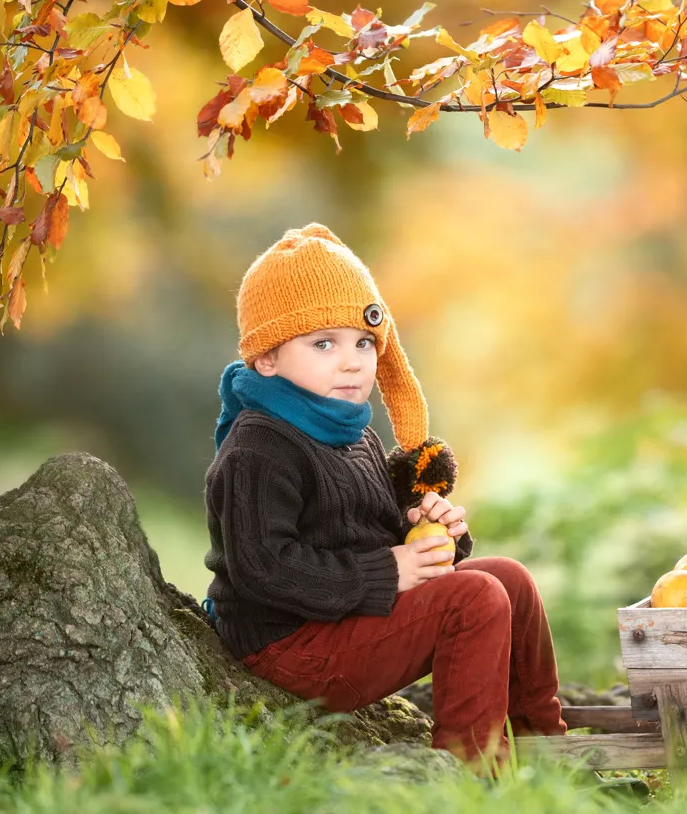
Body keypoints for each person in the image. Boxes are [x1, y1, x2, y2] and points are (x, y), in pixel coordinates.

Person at [202, 223, 566, 772]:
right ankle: (473, 775)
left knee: (507, 580)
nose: (352, 362)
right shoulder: (259, 447)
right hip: (286, 646)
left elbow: (373, 534)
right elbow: (263, 567)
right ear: (267, 358)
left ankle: (546, 750)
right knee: (475, 602)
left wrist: (429, 530)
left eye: (364, 342)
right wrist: (389, 570)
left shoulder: (355, 433)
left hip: (346, 618)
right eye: (323, 343)